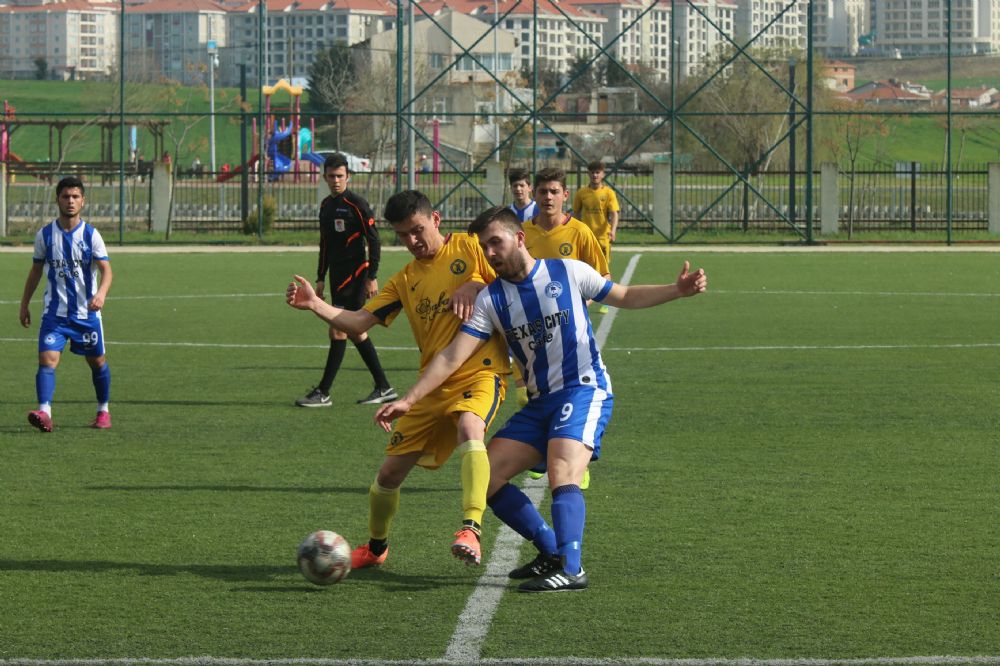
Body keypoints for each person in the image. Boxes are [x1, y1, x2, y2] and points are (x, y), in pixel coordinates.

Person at [375, 206, 707, 591]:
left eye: (496, 242)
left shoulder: (566, 271)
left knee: (562, 468)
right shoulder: (492, 300)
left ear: (519, 238)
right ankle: (551, 551)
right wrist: (410, 399)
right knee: (488, 477)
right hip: (539, 402)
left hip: (584, 389)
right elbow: (451, 355)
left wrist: (677, 291)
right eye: (484, 247)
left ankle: (572, 567)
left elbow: (625, 295)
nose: (490, 253)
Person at [285, 190, 512, 568]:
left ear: (436, 220)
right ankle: (375, 549)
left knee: (471, 429)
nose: (412, 241)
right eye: (403, 235)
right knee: (388, 474)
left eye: (418, 230)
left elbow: (516, 278)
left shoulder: (473, 247)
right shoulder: (405, 280)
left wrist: (477, 284)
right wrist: (315, 304)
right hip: (430, 385)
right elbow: (358, 322)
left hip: (481, 372)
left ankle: (470, 527)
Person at [296, 153, 396, 408]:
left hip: (356, 276)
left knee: (339, 328)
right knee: (355, 331)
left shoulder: (357, 205)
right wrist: (320, 278)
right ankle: (383, 386)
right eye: (331, 176)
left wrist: (372, 276)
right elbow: (325, 245)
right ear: (325, 177)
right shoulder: (326, 207)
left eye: (340, 176)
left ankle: (324, 391)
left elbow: (373, 239)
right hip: (337, 278)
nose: (336, 180)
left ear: (348, 176)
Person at [19, 176, 113, 432]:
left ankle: (103, 410)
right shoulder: (45, 235)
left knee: (97, 362)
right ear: (57, 199)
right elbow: (35, 272)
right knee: (47, 360)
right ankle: (45, 412)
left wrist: (101, 294)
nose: (70, 201)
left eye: (75, 196)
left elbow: (107, 271)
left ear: (83, 200)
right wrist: (24, 303)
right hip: (55, 315)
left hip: (86, 315)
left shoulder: (92, 235)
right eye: (65, 196)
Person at [571, 160, 620, 314]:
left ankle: (607, 302)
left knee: (603, 271)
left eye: (598, 172)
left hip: (602, 238)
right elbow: (576, 213)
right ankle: (584, 298)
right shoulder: (582, 193)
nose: (595, 175)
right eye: (592, 172)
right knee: (584, 269)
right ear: (589, 174)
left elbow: (614, 213)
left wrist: (613, 230)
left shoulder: (608, 193)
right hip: (585, 238)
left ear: (603, 174)